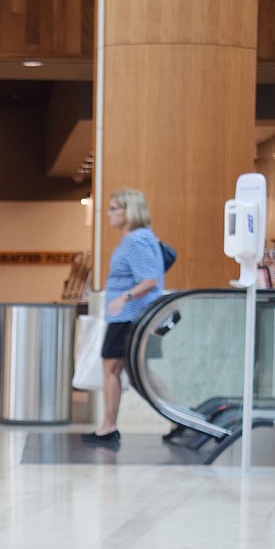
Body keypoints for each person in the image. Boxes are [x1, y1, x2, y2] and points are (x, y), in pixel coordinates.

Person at [83, 188, 164, 447]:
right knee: (139, 371)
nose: (108, 213)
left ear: (130, 211)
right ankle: (176, 420)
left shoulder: (136, 241)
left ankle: (108, 426)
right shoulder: (139, 238)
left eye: (113, 208)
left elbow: (149, 280)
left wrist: (123, 298)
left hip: (128, 316)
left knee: (112, 368)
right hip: (129, 316)